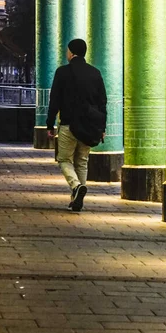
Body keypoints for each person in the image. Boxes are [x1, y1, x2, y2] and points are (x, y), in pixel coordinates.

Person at [47, 39, 107, 211]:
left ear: (71, 52)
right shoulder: (95, 73)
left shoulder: (62, 72)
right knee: (82, 161)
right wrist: (102, 128)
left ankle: (75, 186)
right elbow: (102, 102)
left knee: (64, 159)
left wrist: (49, 124)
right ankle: (76, 200)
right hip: (89, 126)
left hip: (68, 125)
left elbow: (54, 100)